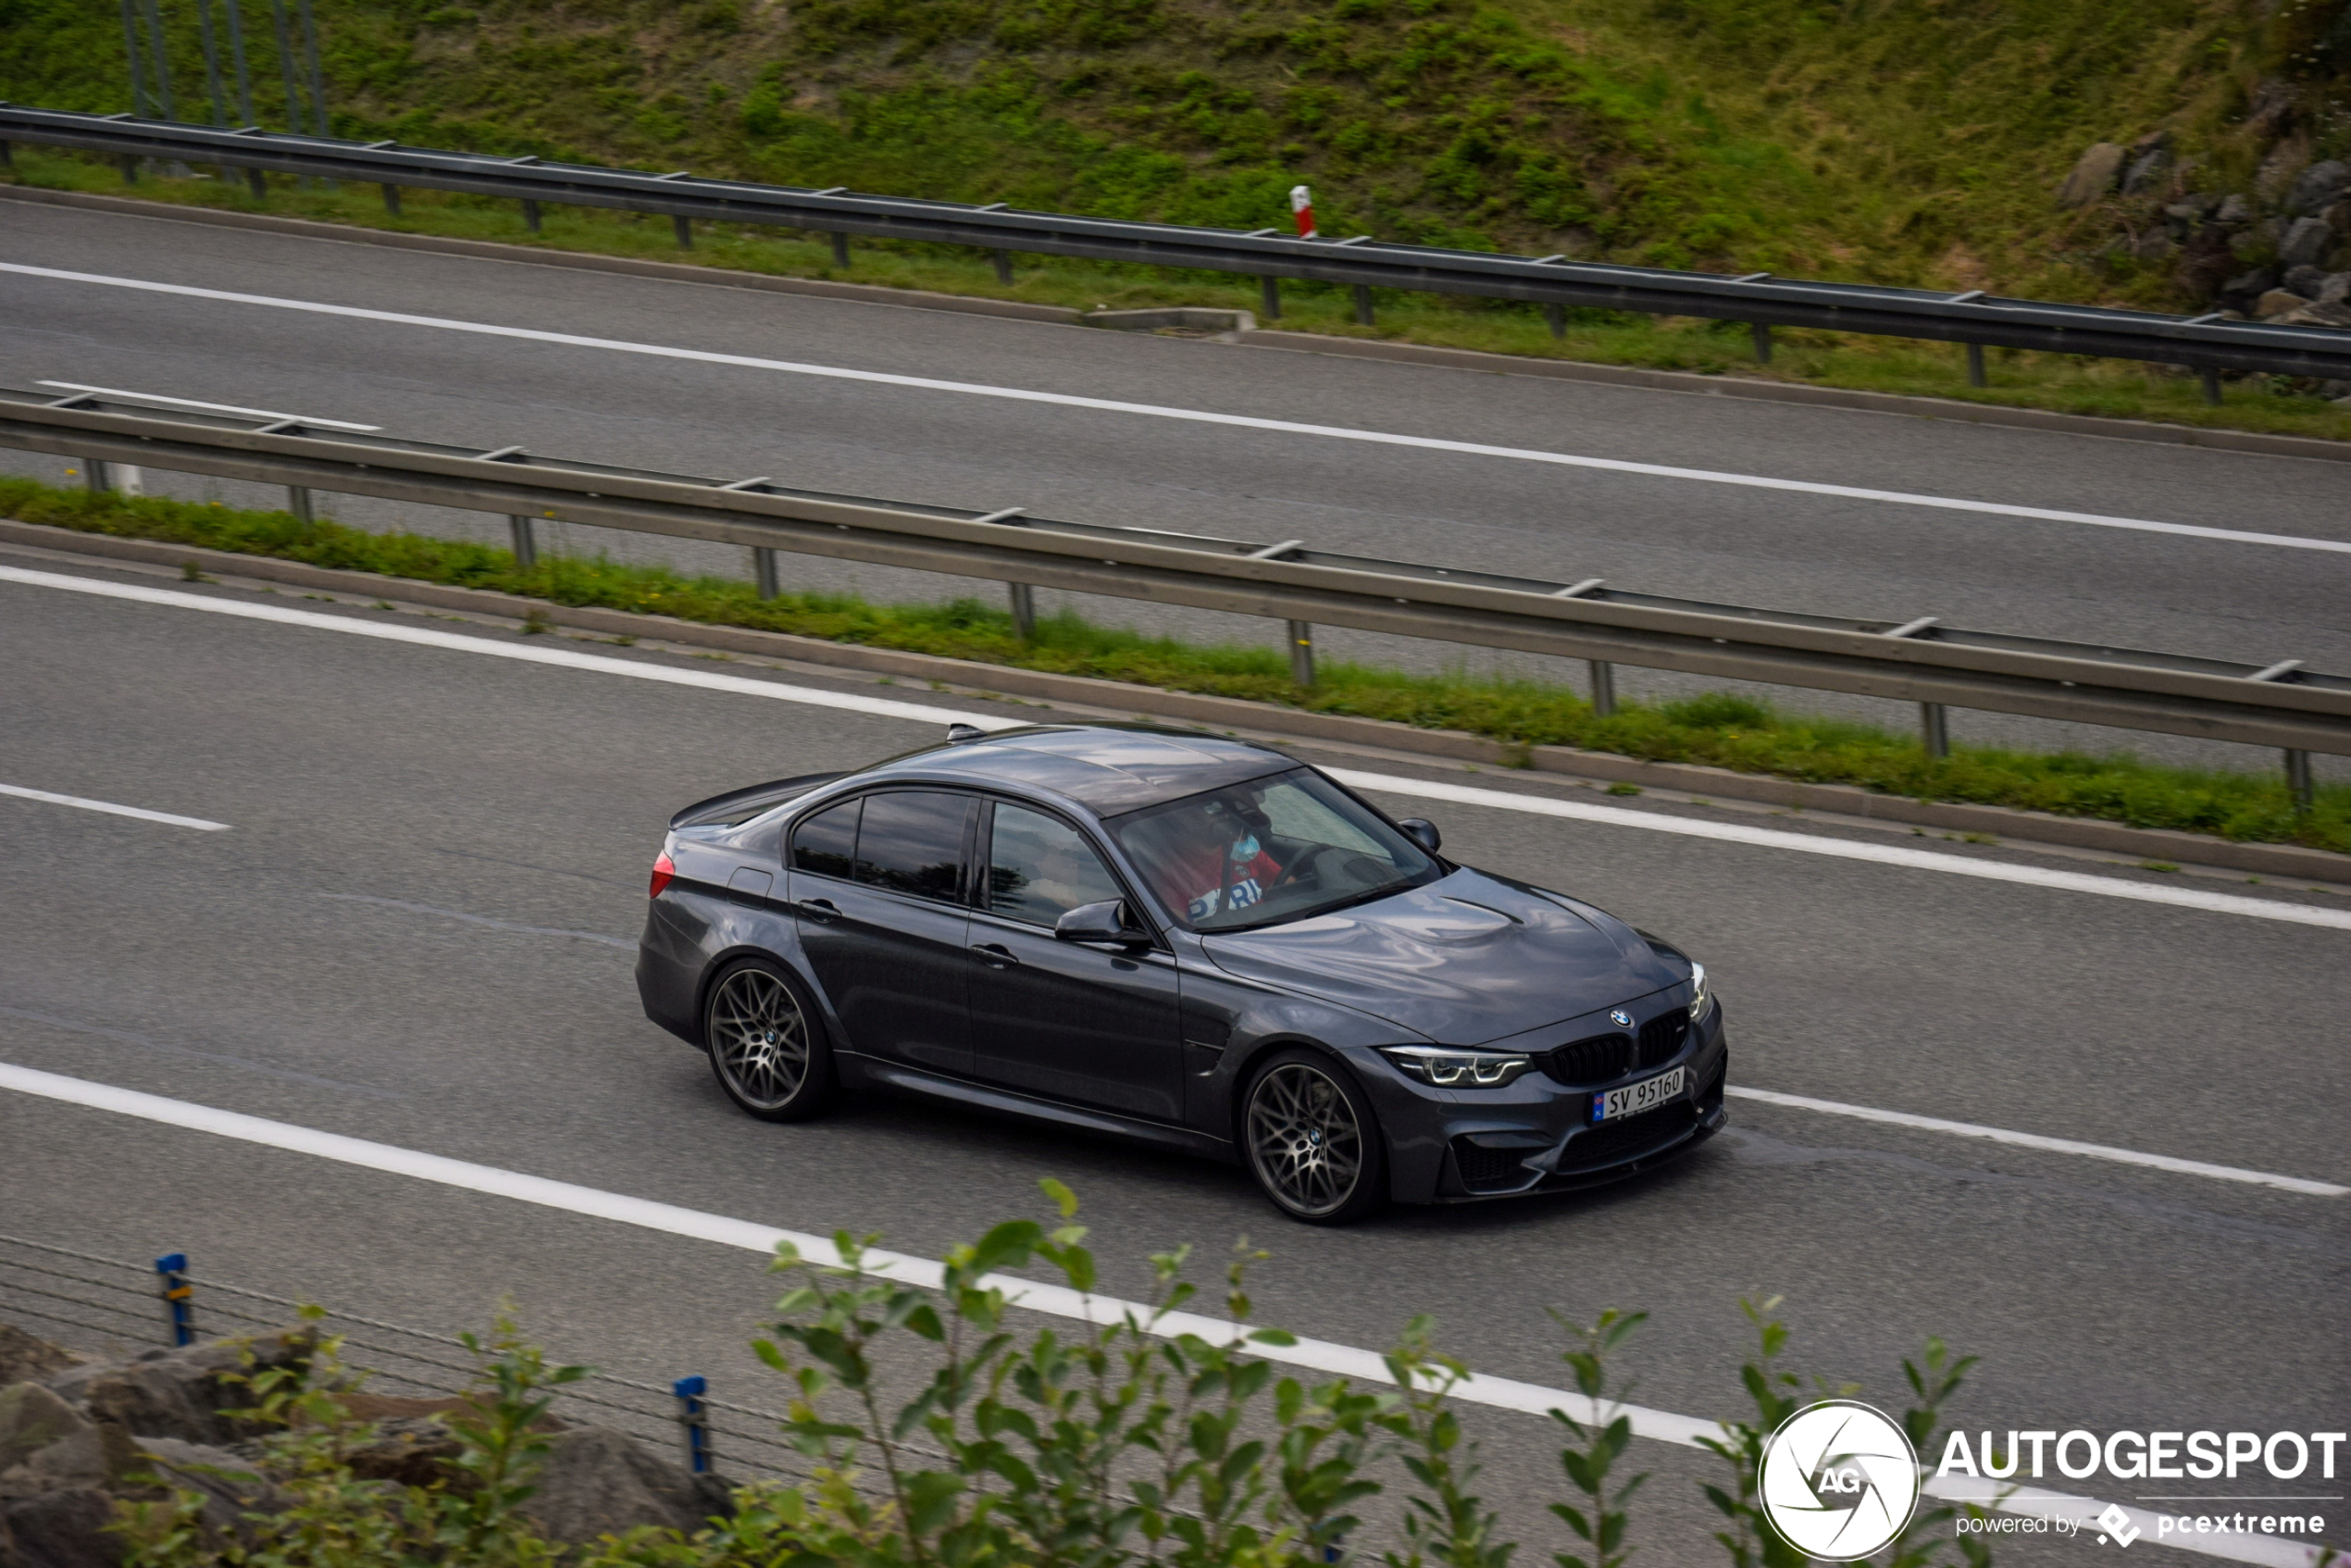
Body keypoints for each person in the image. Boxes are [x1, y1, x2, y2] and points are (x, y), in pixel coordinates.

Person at [1145, 799, 1283, 924]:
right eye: (1208, 809)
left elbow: (1289, 892)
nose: (1221, 816)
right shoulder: (1171, 873)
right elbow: (1180, 933)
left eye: (1221, 808)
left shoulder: (1241, 850)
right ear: (1183, 820)